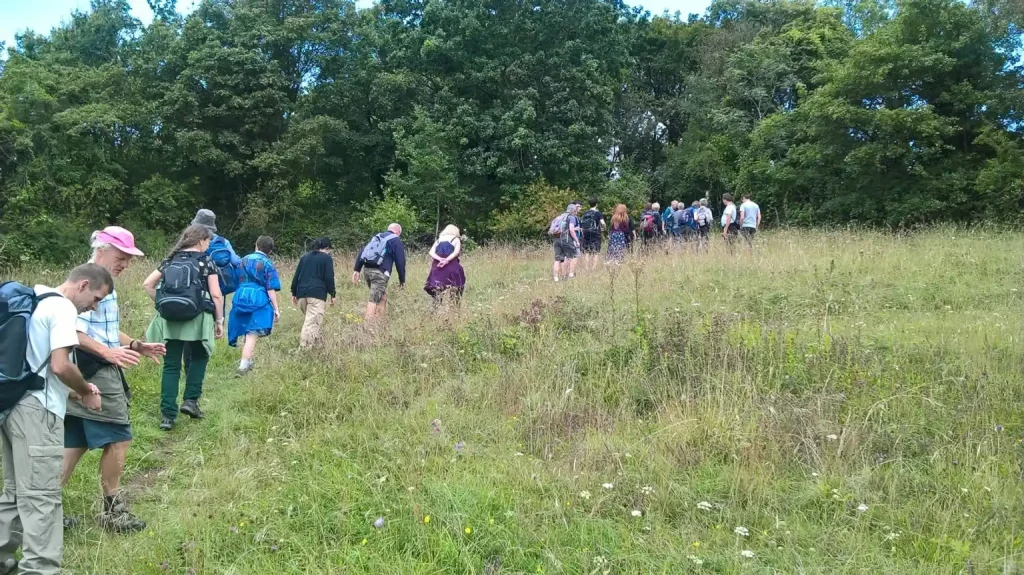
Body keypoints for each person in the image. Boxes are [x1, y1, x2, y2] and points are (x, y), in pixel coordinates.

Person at [0, 264, 111, 575]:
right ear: (83, 284)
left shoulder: (35, 298)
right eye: (96, 298)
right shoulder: (63, 308)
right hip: (38, 413)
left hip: (11, 406)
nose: (94, 306)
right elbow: (61, 366)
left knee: (15, 492)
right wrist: (85, 391)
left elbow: (35, 361)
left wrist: (70, 391)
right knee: (42, 496)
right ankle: (40, 569)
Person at [62, 227, 164, 534]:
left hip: (88, 370)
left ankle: (42, 508)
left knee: (74, 441)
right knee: (120, 437)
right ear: (101, 250)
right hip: (94, 370)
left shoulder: (103, 282)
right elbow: (72, 330)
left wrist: (134, 344)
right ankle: (113, 512)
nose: (126, 264)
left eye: (129, 259)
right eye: (121, 257)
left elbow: (105, 329)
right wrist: (107, 352)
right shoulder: (86, 284)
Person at [143, 224, 225, 431]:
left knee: (171, 365)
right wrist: (219, 320)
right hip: (198, 317)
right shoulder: (206, 261)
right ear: (200, 240)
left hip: (170, 319)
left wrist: (161, 303)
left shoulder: (170, 259)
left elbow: (147, 284)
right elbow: (216, 294)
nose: (208, 245)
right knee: (199, 357)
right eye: (208, 241)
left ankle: (167, 416)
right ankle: (190, 401)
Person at [184, 209, 239, 372]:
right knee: (210, 327)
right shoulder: (223, 241)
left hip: (192, 291)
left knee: (189, 329)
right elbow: (235, 261)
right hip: (216, 291)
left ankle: (189, 367)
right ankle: (200, 367)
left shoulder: (189, 240)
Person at [229, 236, 282, 376]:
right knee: (252, 332)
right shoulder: (267, 263)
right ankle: (243, 366)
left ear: (256, 245)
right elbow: (270, 287)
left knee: (246, 329)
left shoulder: (243, 260)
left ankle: (249, 361)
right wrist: (276, 309)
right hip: (258, 298)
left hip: (240, 296)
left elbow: (235, 278)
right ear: (270, 250)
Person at [353, 223, 407, 323]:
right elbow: (400, 261)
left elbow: (363, 251)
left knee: (382, 297)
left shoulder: (377, 237)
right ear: (398, 232)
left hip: (367, 270)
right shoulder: (396, 240)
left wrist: (357, 269)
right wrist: (402, 279)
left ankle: (379, 323)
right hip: (380, 273)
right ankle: (366, 326)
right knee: (373, 299)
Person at [291, 237, 336, 349]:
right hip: (317, 294)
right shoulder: (326, 258)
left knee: (311, 321)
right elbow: (329, 277)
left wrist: (294, 292)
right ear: (326, 248)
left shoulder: (305, 257)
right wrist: (332, 293)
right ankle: (304, 349)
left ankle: (317, 346)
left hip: (301, 294)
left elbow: (297, 276)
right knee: (311, 323)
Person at [424, 225, 467, 308]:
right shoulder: (455, 239)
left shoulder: (439, 240)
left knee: (437, 290)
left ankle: (436, 309)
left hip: (437, 266)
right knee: (457, 285)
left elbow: (431, 252)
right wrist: (446, 260)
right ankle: (455, 308)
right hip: (451, 265)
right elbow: (456, 252)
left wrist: (440, 259)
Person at [552, 203, 581, 282]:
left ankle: (556, 278)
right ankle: (571, 275)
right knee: (573, 256)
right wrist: (576, 240)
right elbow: (571, 229)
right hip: (566, 239)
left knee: (557, 259)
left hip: (557, 239)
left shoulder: (560, 216)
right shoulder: (571, 217)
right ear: (573, 210)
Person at [579, 198, 606, 272]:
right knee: (596, 251)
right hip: (595, 233)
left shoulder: (585, 213)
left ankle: (586, 268)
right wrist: (604, 228)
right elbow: (603, 223)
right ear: (596, 204)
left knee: (587, 251)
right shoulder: (598, 213)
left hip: (586, 233)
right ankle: (593, 269)